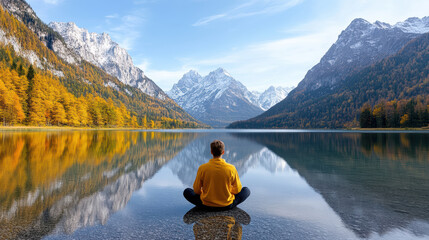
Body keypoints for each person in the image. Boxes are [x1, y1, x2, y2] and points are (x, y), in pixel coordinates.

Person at [183, 140, 250, 211]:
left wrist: (206, 192)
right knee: (246, 190)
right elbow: (237, 190)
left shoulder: (202, 168)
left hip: (206, 205)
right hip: (227, 205)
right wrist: (227, 191)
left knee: (187, 191)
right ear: (223, 152)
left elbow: (196, 190)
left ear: (211, 152)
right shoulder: (231, 168)